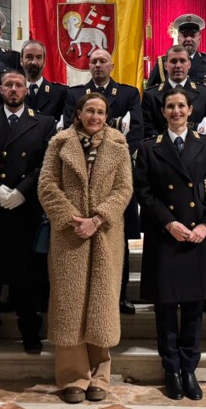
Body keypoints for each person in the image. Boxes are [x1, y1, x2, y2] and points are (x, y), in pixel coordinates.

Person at [135, 87, 206, 401]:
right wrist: (168, 222)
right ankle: (171, 368)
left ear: (191, 110)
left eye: (181, 106)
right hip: (166, 235)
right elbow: (144, 191)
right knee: (165, 308)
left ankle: (189, 368)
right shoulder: (150, 147)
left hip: (197, 237)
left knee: (193, 307)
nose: (176, 111)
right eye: (170, 106)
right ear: (163, 112)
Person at [38, 93, 134, 403]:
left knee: (101, 306)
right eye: (90, 110)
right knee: (70, 306)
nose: (95, 116)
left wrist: (99, 218)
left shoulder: (118, 144)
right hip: (69, 234)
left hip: (105, 235)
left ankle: (100, 377)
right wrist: (70, 217)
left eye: (101, 112)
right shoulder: (59, 143)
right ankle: (73, 378)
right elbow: (47, 185)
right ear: (78, 113)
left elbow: (124, 189)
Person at [0, 71, 57, 354]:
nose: (14, 90)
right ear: (0, 90)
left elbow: (47, 163)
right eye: (8, 85)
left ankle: (30, 331)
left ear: (26, 90)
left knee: (26, 277)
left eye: (19, 85)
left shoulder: (44, 123)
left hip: (25, 208)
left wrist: (21, 191)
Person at [64, 47, 143, 315]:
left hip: (113, 176)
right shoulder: (74, 94)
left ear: (111, 65)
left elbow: (137, 130)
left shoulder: (129, 93)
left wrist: (109, 154)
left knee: (116, 242)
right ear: (88, 66)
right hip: (80, 177)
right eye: (93, 61)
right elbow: (68, 128)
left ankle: (120, 297)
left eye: (103, 61)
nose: (98, 65)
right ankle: (85, 299)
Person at [143, 45, 206, 143]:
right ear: (165, 66)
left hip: (199, 152)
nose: (178, 66)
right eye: (173, 61)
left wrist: (204, 148)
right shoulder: (150, 95)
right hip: (162, 152)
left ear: (189, 64)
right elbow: (147, 127)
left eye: (182, 61)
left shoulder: (205, 93)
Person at [147, 14, 206, 103]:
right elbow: (150, 97)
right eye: (184, 35)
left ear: (199, 38)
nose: (188, 39)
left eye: (193, 35)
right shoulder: (163, 62)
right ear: (178, 38)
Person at [22, 40, 68, 123]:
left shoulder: (60, 93)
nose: (34, 62)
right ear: (21, 61)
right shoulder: (13, 91)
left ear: (44, 62)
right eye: (29, 57)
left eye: (39, 57)